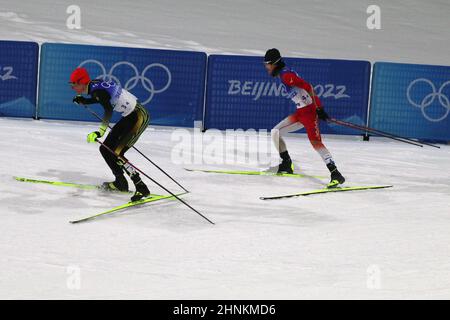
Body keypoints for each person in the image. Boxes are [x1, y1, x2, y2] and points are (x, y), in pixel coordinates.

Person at [263, 48, 345, 188]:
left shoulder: (286, 75)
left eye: (268, 64)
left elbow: (308, 87)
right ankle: (286, 164)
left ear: (275, 63)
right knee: (275, 132)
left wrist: (319, 108)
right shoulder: (282, 73)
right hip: (301, 112)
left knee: (316, 143)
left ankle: (335, 173)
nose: (266, 67)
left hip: (309, 113)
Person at [69, 67, 151, 201]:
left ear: (82, 82)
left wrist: (99, 132)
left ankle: (141, 187)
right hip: (130, 115)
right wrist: (84, 101)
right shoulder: (94, 86)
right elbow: (103, 99)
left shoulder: (97, 91)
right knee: (105, 148)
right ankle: (120, 182)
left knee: (118, 153)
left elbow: (107, 110)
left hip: (138, 117)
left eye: (74, 84)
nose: (72, 87)